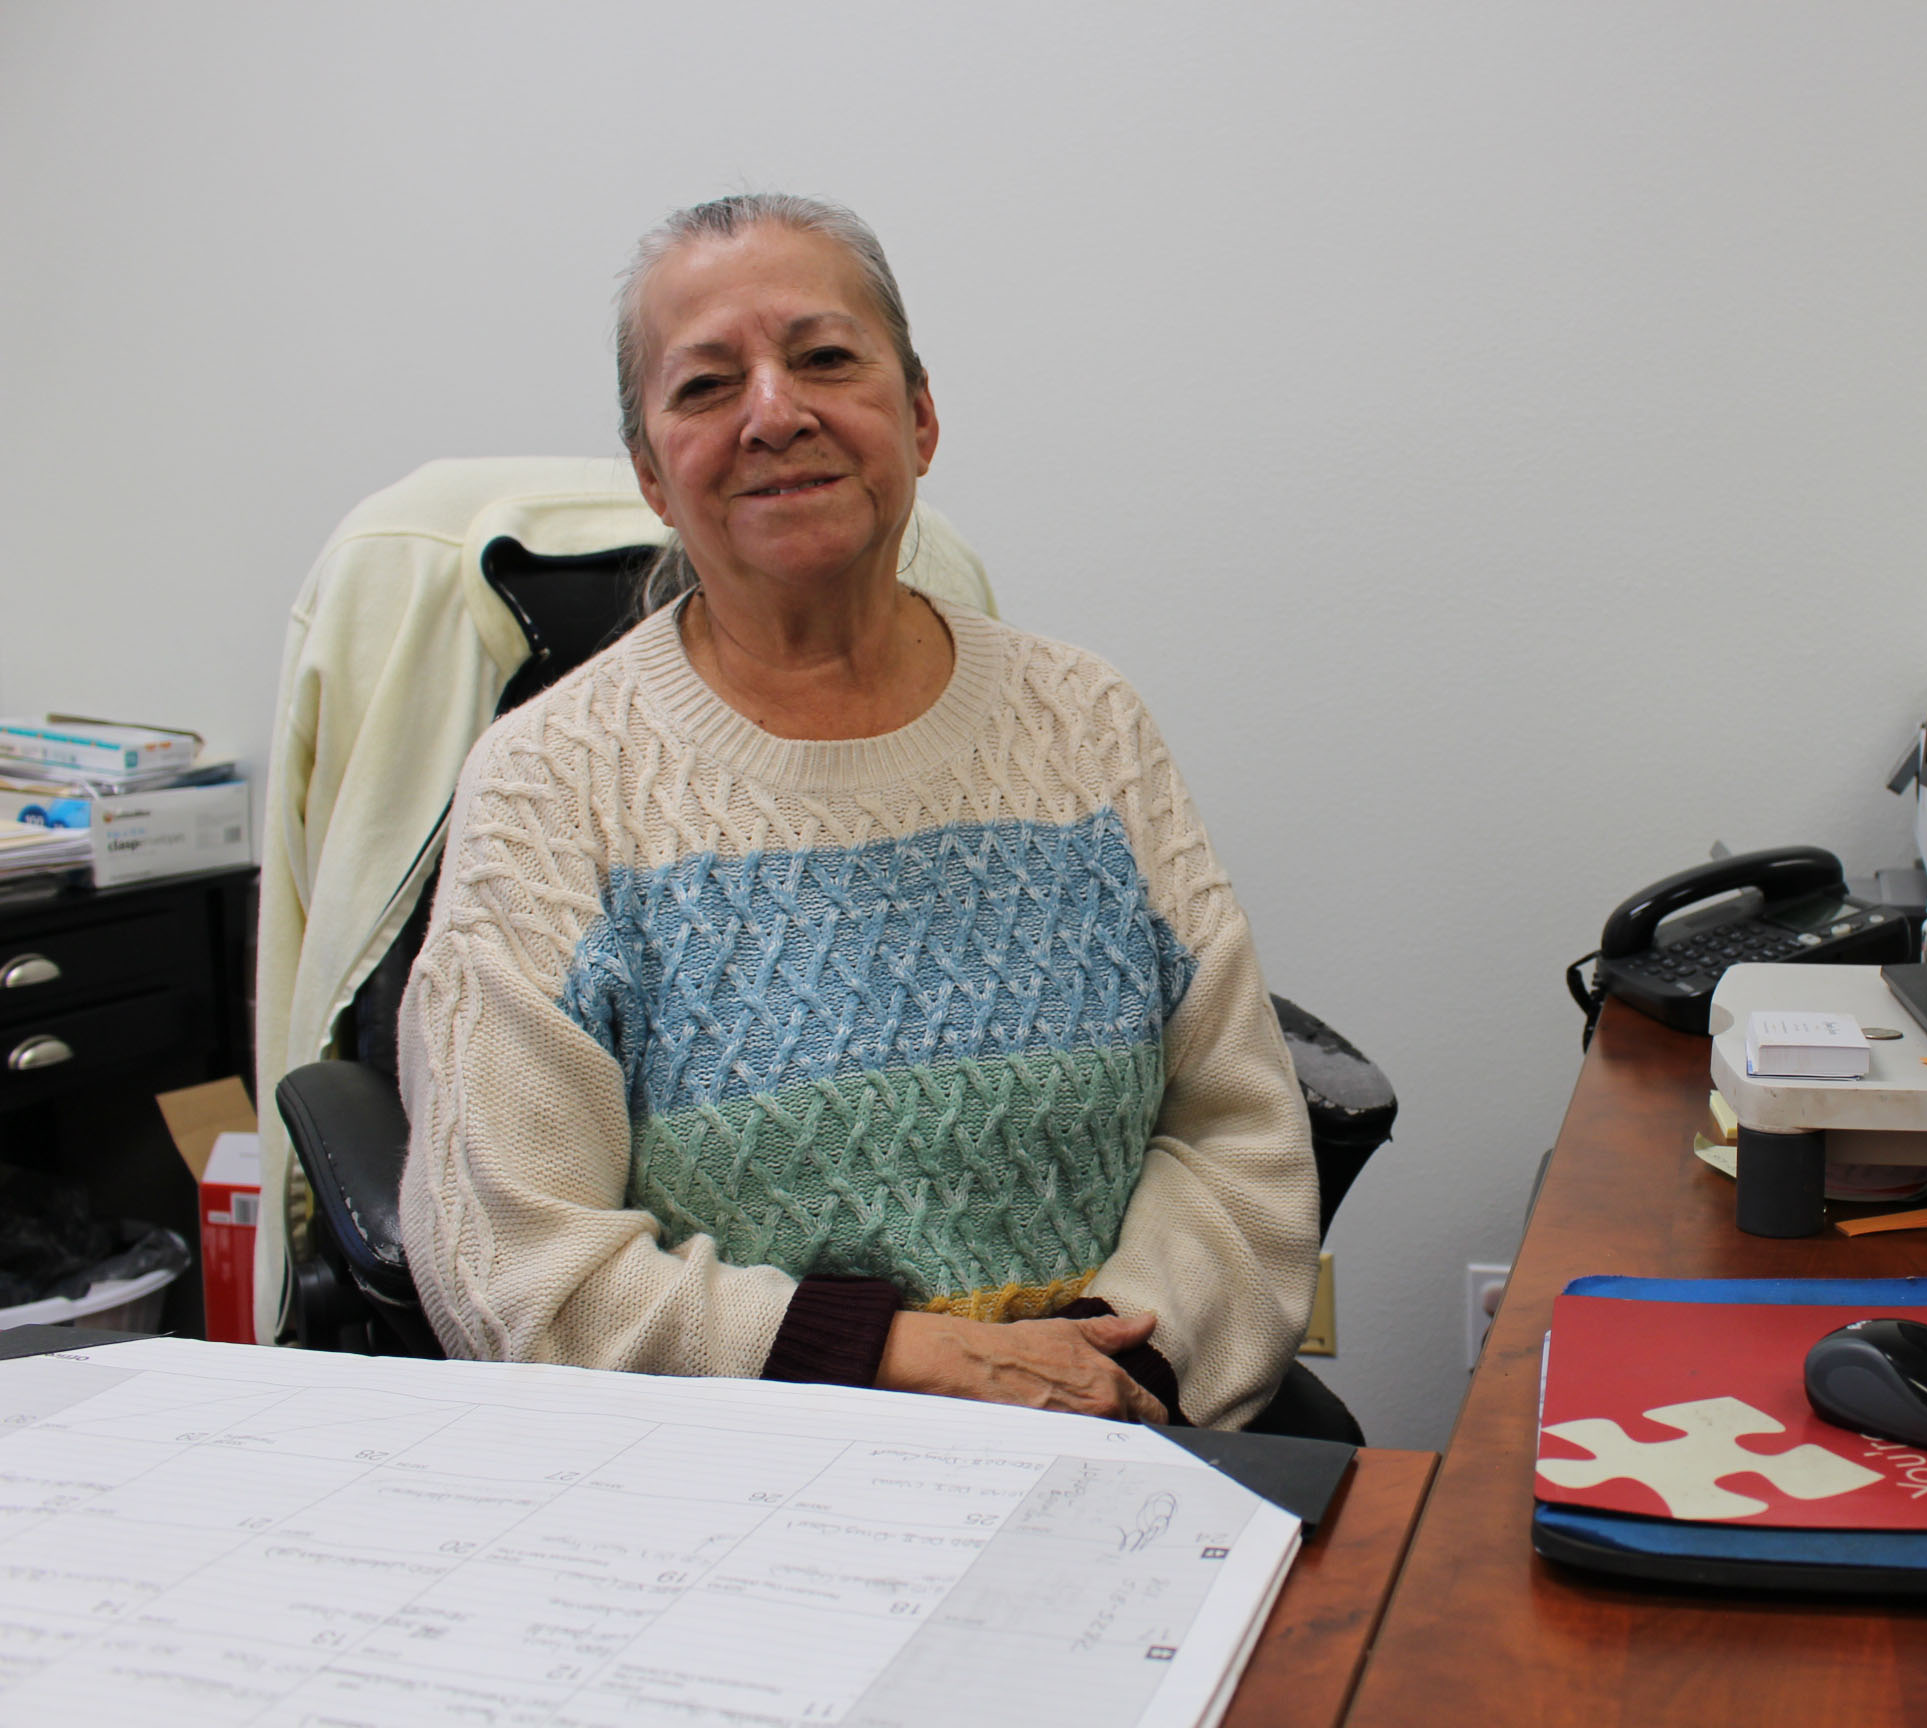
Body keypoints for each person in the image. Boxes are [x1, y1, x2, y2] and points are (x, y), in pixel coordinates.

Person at [397, 193, 1318, 1430]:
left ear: (920, 416)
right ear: (650, 476)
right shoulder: (550, 784)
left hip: (1120, 1444)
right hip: (753, 1478)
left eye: (825, 359)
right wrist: (893, 1361)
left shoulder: (1088, 722)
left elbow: (1234, 1141)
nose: (776, 413)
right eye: (707, 386)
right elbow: (511, 1268)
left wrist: (1120, 1381)